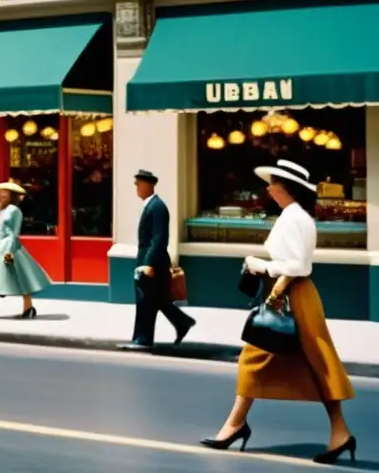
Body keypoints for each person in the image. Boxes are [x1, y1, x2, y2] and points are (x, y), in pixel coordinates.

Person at [202, 159, 355, 464]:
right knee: (312, 364)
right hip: (289, 294)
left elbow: (298, 266)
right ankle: (237, 424)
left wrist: (263, 267)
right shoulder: (293, 215)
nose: (268, 188)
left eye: (272, 183)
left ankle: (236, 425)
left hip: (290, 295)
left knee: (301, 363)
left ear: (287, 187)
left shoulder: (295, 218)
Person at [119, 169, 195, 351]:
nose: (136, 187)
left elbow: (159, 238)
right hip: (149, 260)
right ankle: (182, 322)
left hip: (153, 262)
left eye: (138, 184)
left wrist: (148, 263)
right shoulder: (151, 205)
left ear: (148, 185)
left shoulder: (157, 207)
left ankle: (142, 339)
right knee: (156, 299)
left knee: (145, 300)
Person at [0, 181, 52, 319]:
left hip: (7, 247)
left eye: (4, 192)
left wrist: (8, 252)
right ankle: (28, 307)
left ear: (11, 195)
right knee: (14, 277)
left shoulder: (14, 210)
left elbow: (14, 234)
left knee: (0, 277)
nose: (0, 195)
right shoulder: (3, 209)